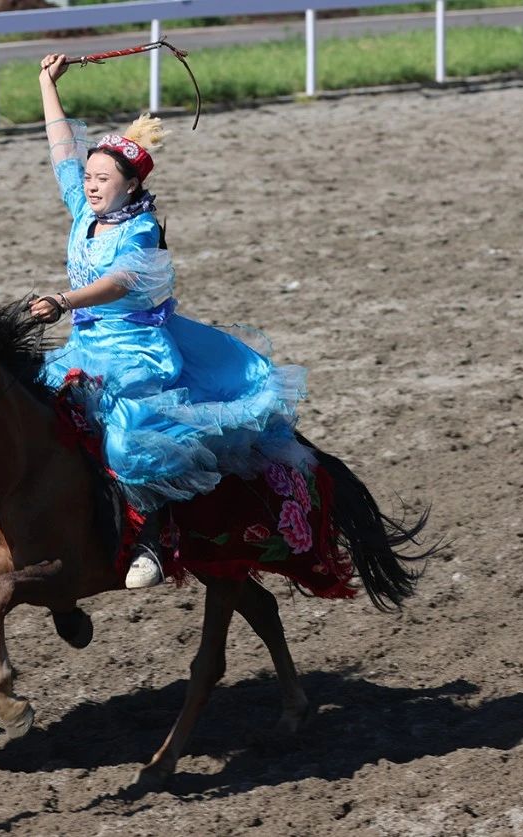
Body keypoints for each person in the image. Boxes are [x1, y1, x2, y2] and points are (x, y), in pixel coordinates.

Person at [32, 54, 314, 589]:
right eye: (88, 177)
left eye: (102, 178)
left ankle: (155, 541)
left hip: (136, 350)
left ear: (132, 185)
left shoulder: (139, 231)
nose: (89, 185)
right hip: (85, 345)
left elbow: (119, 284)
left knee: (130, 442)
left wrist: (66, 301)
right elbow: (62, 150)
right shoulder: (82, 209)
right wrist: (47, 85)